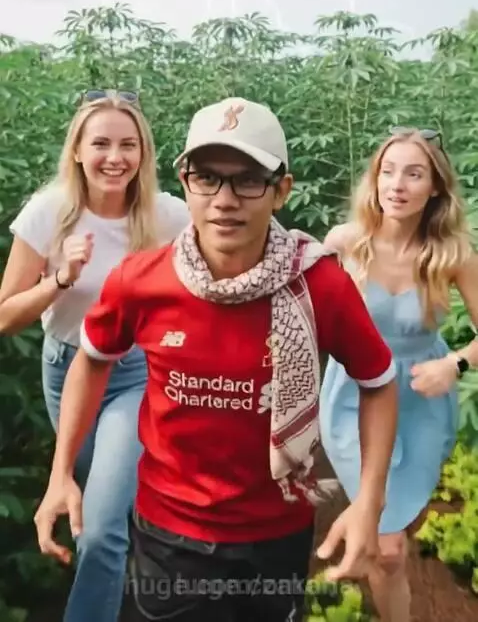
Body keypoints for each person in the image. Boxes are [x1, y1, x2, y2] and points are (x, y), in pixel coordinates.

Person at [33, 96, 399, 622]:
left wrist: (370, 501)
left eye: (248, 179)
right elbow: (92, 359)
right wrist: (61, 472)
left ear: (281, 191)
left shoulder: (319, 285)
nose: (225, 199)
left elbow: (379, 382)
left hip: (277, 534)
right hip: (169, 534)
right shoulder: (142, 280)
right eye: (207, 177)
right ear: (185, 183)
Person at [0, 89, 190, 622]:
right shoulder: (49, 214)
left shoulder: (169, 217)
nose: (115, 156)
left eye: (128, 144)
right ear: (78, 151)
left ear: (144, 154)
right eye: (101, 142)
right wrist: (60, 279)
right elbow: (5, 314)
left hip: (134, 373)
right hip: (66, 369)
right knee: (91, 507)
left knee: (102, 525)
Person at [319, 125, 478, 622]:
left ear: (435, 187)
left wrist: (455, 364)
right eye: (388, 171)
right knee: (387, 547)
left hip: (421, 400)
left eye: (413, 174)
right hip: (354, 399)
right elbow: (307, 320)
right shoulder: (345, 243)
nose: (397, 184)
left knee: (393, 543)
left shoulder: (453, 256)